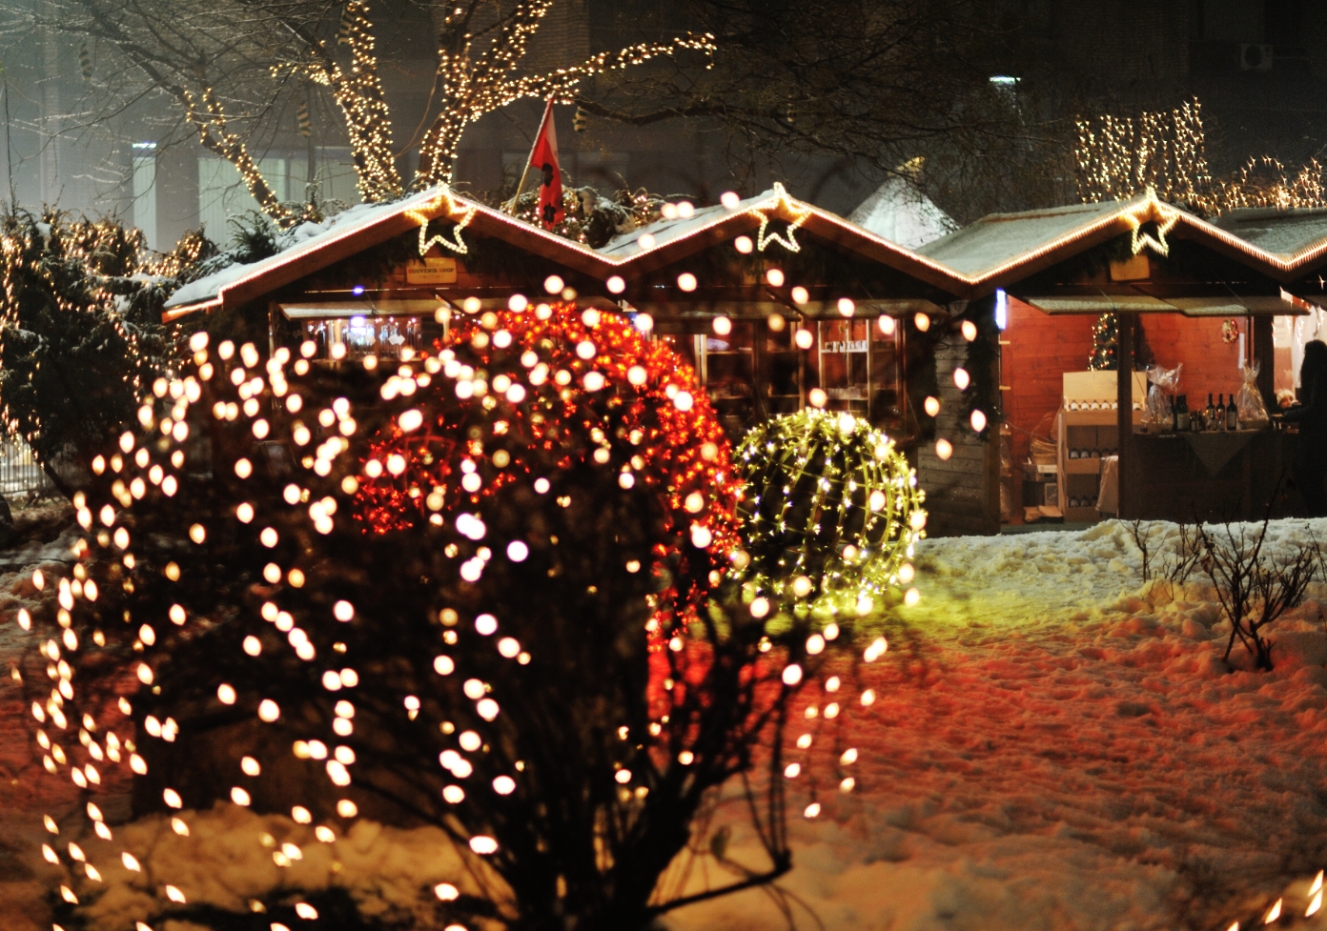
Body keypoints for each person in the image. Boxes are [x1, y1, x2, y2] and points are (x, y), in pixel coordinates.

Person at [1283, 340, 1327, 516]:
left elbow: (1315, 408)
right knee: (1313, 482)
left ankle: (1320, 520)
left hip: (1315, 439)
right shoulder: (1322, 373)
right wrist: (1294, 409)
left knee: (1309, 482)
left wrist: (1290, 415)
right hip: (1320, 437)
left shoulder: (1319, 375)